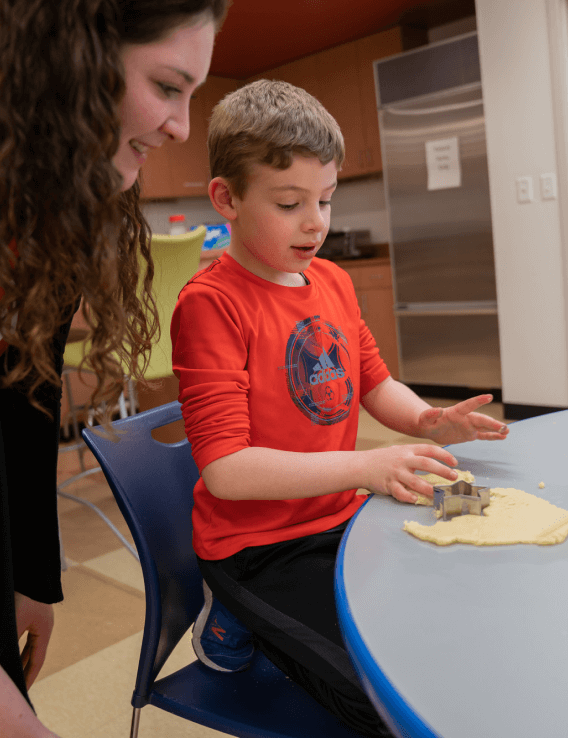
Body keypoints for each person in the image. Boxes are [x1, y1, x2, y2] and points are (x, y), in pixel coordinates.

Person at [171, 79, 509, 736]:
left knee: (452, 622)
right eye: (291, 202)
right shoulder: (211, 304)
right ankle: (230, 614)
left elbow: (375, 382)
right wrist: (366, 467)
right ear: (227, 199)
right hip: (259, 545)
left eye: (325, 200)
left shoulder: (332, 280)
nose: (316, 222)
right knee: (383, 699)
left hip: (342, 517)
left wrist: (424, 421)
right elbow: (226, 470)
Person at [0, 1, 228, 735]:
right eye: (167, 86)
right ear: (69, 65)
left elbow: (25, 401)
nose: (183, 126)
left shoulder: (44, 224)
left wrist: (32, 580)